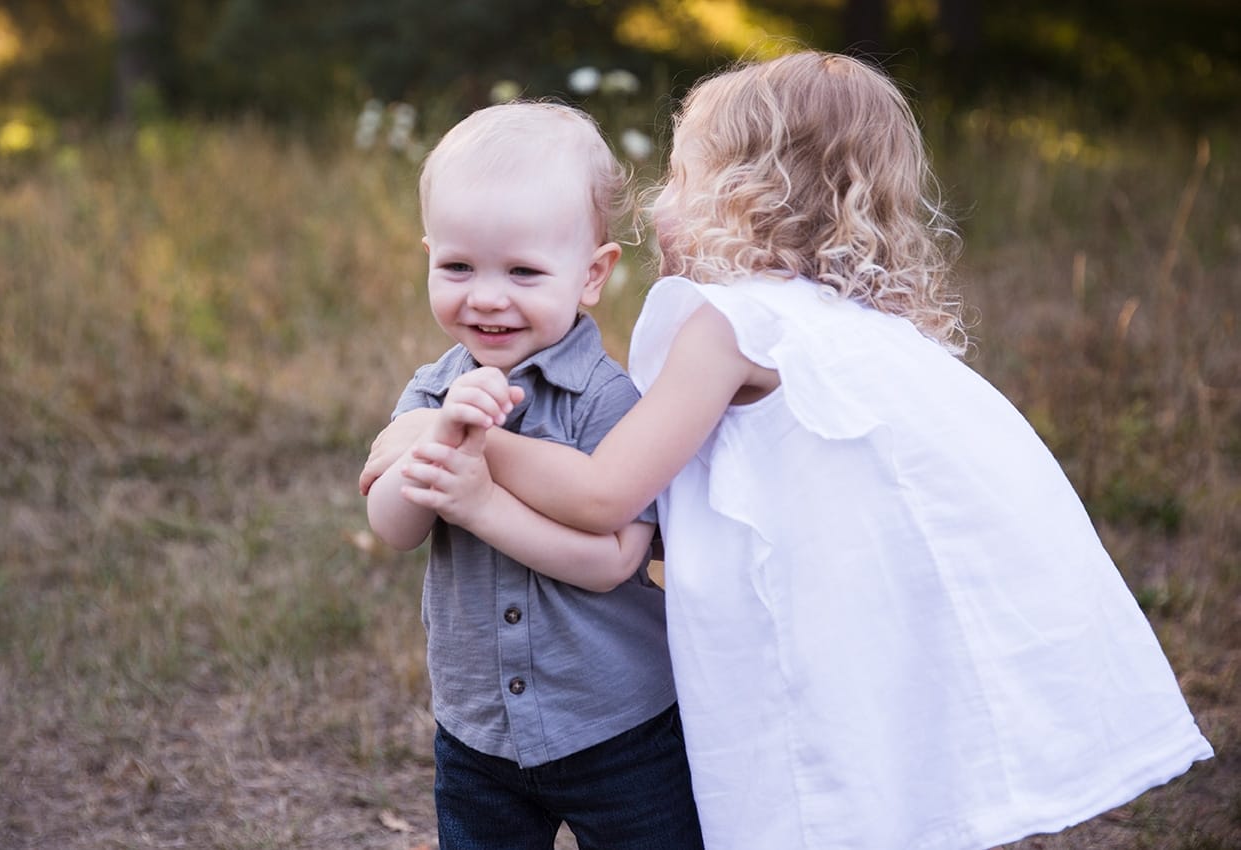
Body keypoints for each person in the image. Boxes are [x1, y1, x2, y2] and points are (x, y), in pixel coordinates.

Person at [376, 53, 1215, 850]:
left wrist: (459, 443)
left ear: (734, 193)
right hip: (850, 619)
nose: (657, 206)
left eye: (676, 177)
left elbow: (603, 496)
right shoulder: (844, 323)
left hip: (725, 666)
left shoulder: (729, 324)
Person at [363, 101, 704, 850]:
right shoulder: (431, 389)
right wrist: (437, 444)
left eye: (522, 271)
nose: (486, 296)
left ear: (591, 275)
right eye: (456, 266)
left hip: (616, 723)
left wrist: (482, 501)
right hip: (478, 729)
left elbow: (615, 562)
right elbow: (391, 528)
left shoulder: (610, 401)